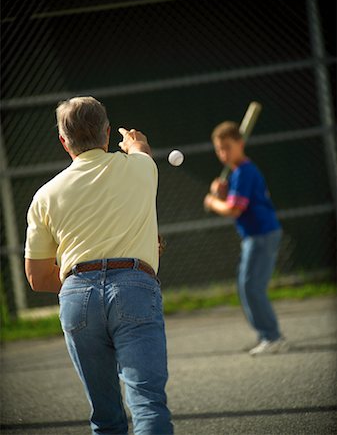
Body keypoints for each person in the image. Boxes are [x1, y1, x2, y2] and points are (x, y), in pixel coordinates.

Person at [24, 96, 174, 435]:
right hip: (135, 286)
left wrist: (82, 284)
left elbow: (37, 277)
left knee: (105, 418)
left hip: (77, 296)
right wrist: (136, 142)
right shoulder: (141, 167)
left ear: (63, 141)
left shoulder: (45, 195)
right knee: (147, 403)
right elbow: (139, 152)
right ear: (107, 133)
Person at [203, 121, 288, 356]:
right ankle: (266, 335)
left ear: (240, 143)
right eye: (219, 149)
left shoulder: (244, 172)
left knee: (252, 288)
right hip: (256, 235)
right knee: (247, 287)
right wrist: (222, 192)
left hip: (262, 235)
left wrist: (213, 201)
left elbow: (234, 209)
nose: (223, 153)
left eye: (228, 147)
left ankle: (272, 336)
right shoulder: (239, 173)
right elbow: (233, 200)